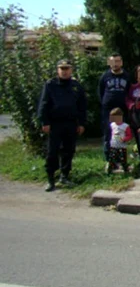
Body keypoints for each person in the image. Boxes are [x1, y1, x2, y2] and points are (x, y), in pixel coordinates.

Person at [37, 59, 87, 192]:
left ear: (71, 70)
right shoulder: (50, 85)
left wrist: (81, 123)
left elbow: (82, 106)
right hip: (55, 124)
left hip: (71, 123)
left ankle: (65, 175)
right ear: (57, 70)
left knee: (69, 150)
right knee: (52, 152)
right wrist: (44, 122)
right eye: (62, 68)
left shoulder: (76, 86)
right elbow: (44, 104)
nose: (64, 71)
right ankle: (50, 179)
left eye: (67, 68)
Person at [98, 53, 131, 164]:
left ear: (121, 63)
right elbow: (100, 91)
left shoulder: (126, 76)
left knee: (121, 134)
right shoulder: (105, 76)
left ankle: (120, 160)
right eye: (113, 61)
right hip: (108, 110)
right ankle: (110, 161)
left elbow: (129, 92)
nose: (115, 64)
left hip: (122, 110)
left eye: (117, 61)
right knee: (108, 133)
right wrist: (104, 102)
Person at [107, 107, 133, 174]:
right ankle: (110, 170)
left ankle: (126, 170)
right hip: (113, 145)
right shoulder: (112, 125)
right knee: (112, 159)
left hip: (122, 146)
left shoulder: (125, 126)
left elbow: (129, 135)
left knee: (123, 159)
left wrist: (124, 139)